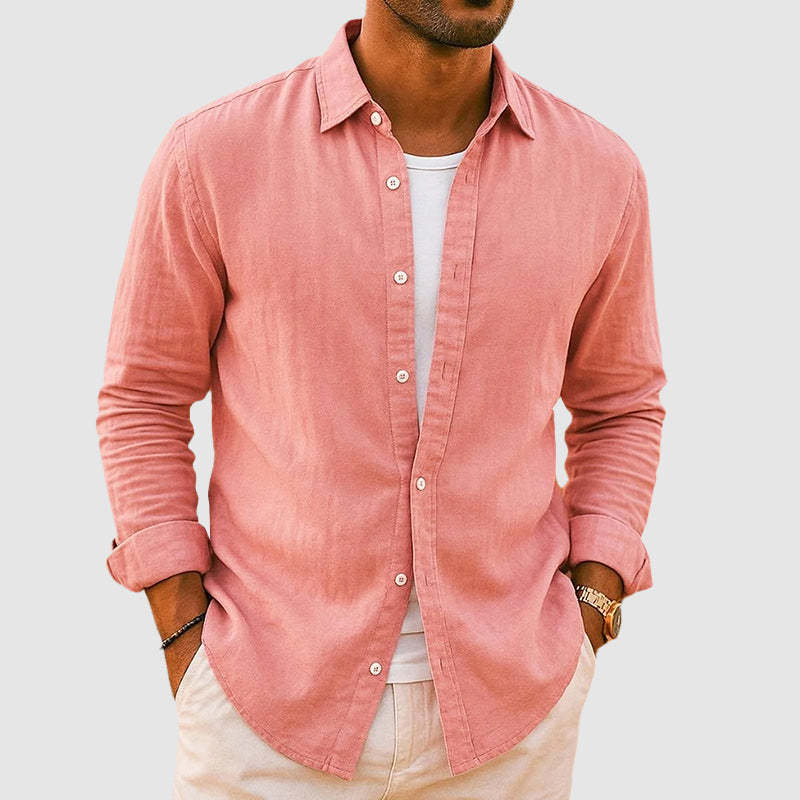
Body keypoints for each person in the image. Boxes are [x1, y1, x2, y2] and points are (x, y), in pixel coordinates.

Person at [96, 2, 667, 797]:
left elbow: (621, 405)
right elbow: (146, 397)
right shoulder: (215, 155)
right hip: (263, 711)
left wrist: (592, 606)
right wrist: (183, 633)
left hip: (513, 720)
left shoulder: (599, 172)